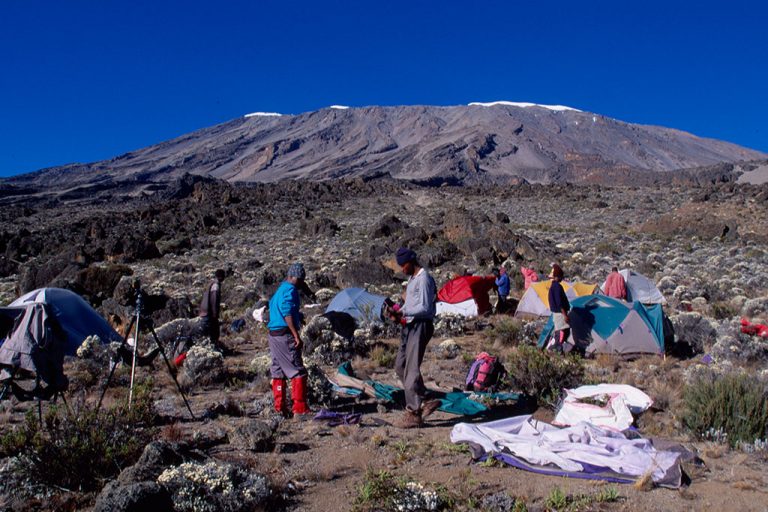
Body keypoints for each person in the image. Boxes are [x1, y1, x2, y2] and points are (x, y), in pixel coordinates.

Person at [391, 248, 441, 428]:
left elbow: (425, 308)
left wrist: (403, 313)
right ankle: (427, 398)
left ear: (411, 262)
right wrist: (397, 311)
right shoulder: (412, 280)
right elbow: (410, 303)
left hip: (420, 326)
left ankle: (414, 412)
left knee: (411, 369)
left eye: (404, 265)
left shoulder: (424, 279)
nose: (402, 269)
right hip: (409, 326)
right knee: (400, 366)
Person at [267, 263, 310, 417]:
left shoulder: (280, 289)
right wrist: (296, 334)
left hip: (273, 335)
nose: (301, 283)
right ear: (294, 277)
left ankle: (279, 409)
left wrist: (299, 318)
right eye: (300, 279)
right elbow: (286, 313)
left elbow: (276, 308)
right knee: (297, 371)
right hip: (285, 335)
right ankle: (300, 409)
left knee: (278, 371)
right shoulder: (290, 290)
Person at [199, 269, 225, 351]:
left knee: (208, 333)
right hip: (209, 313)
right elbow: (214, 300)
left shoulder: (211, 283)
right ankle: (212, 351)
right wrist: (215, 314)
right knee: (212, 333)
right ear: (221, 276)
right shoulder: (215, 285)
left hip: (204, 312)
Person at [547, 263, 571, 352]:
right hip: (560, 313)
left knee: (560, 330)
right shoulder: (557, 286)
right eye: (561, 276)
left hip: (557, 313)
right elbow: (559, 302)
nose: (562, 278)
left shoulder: (553, 286)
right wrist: (565, 314)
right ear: (557, 277)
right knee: (562, 331)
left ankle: (556, 348)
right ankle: (557, 348)